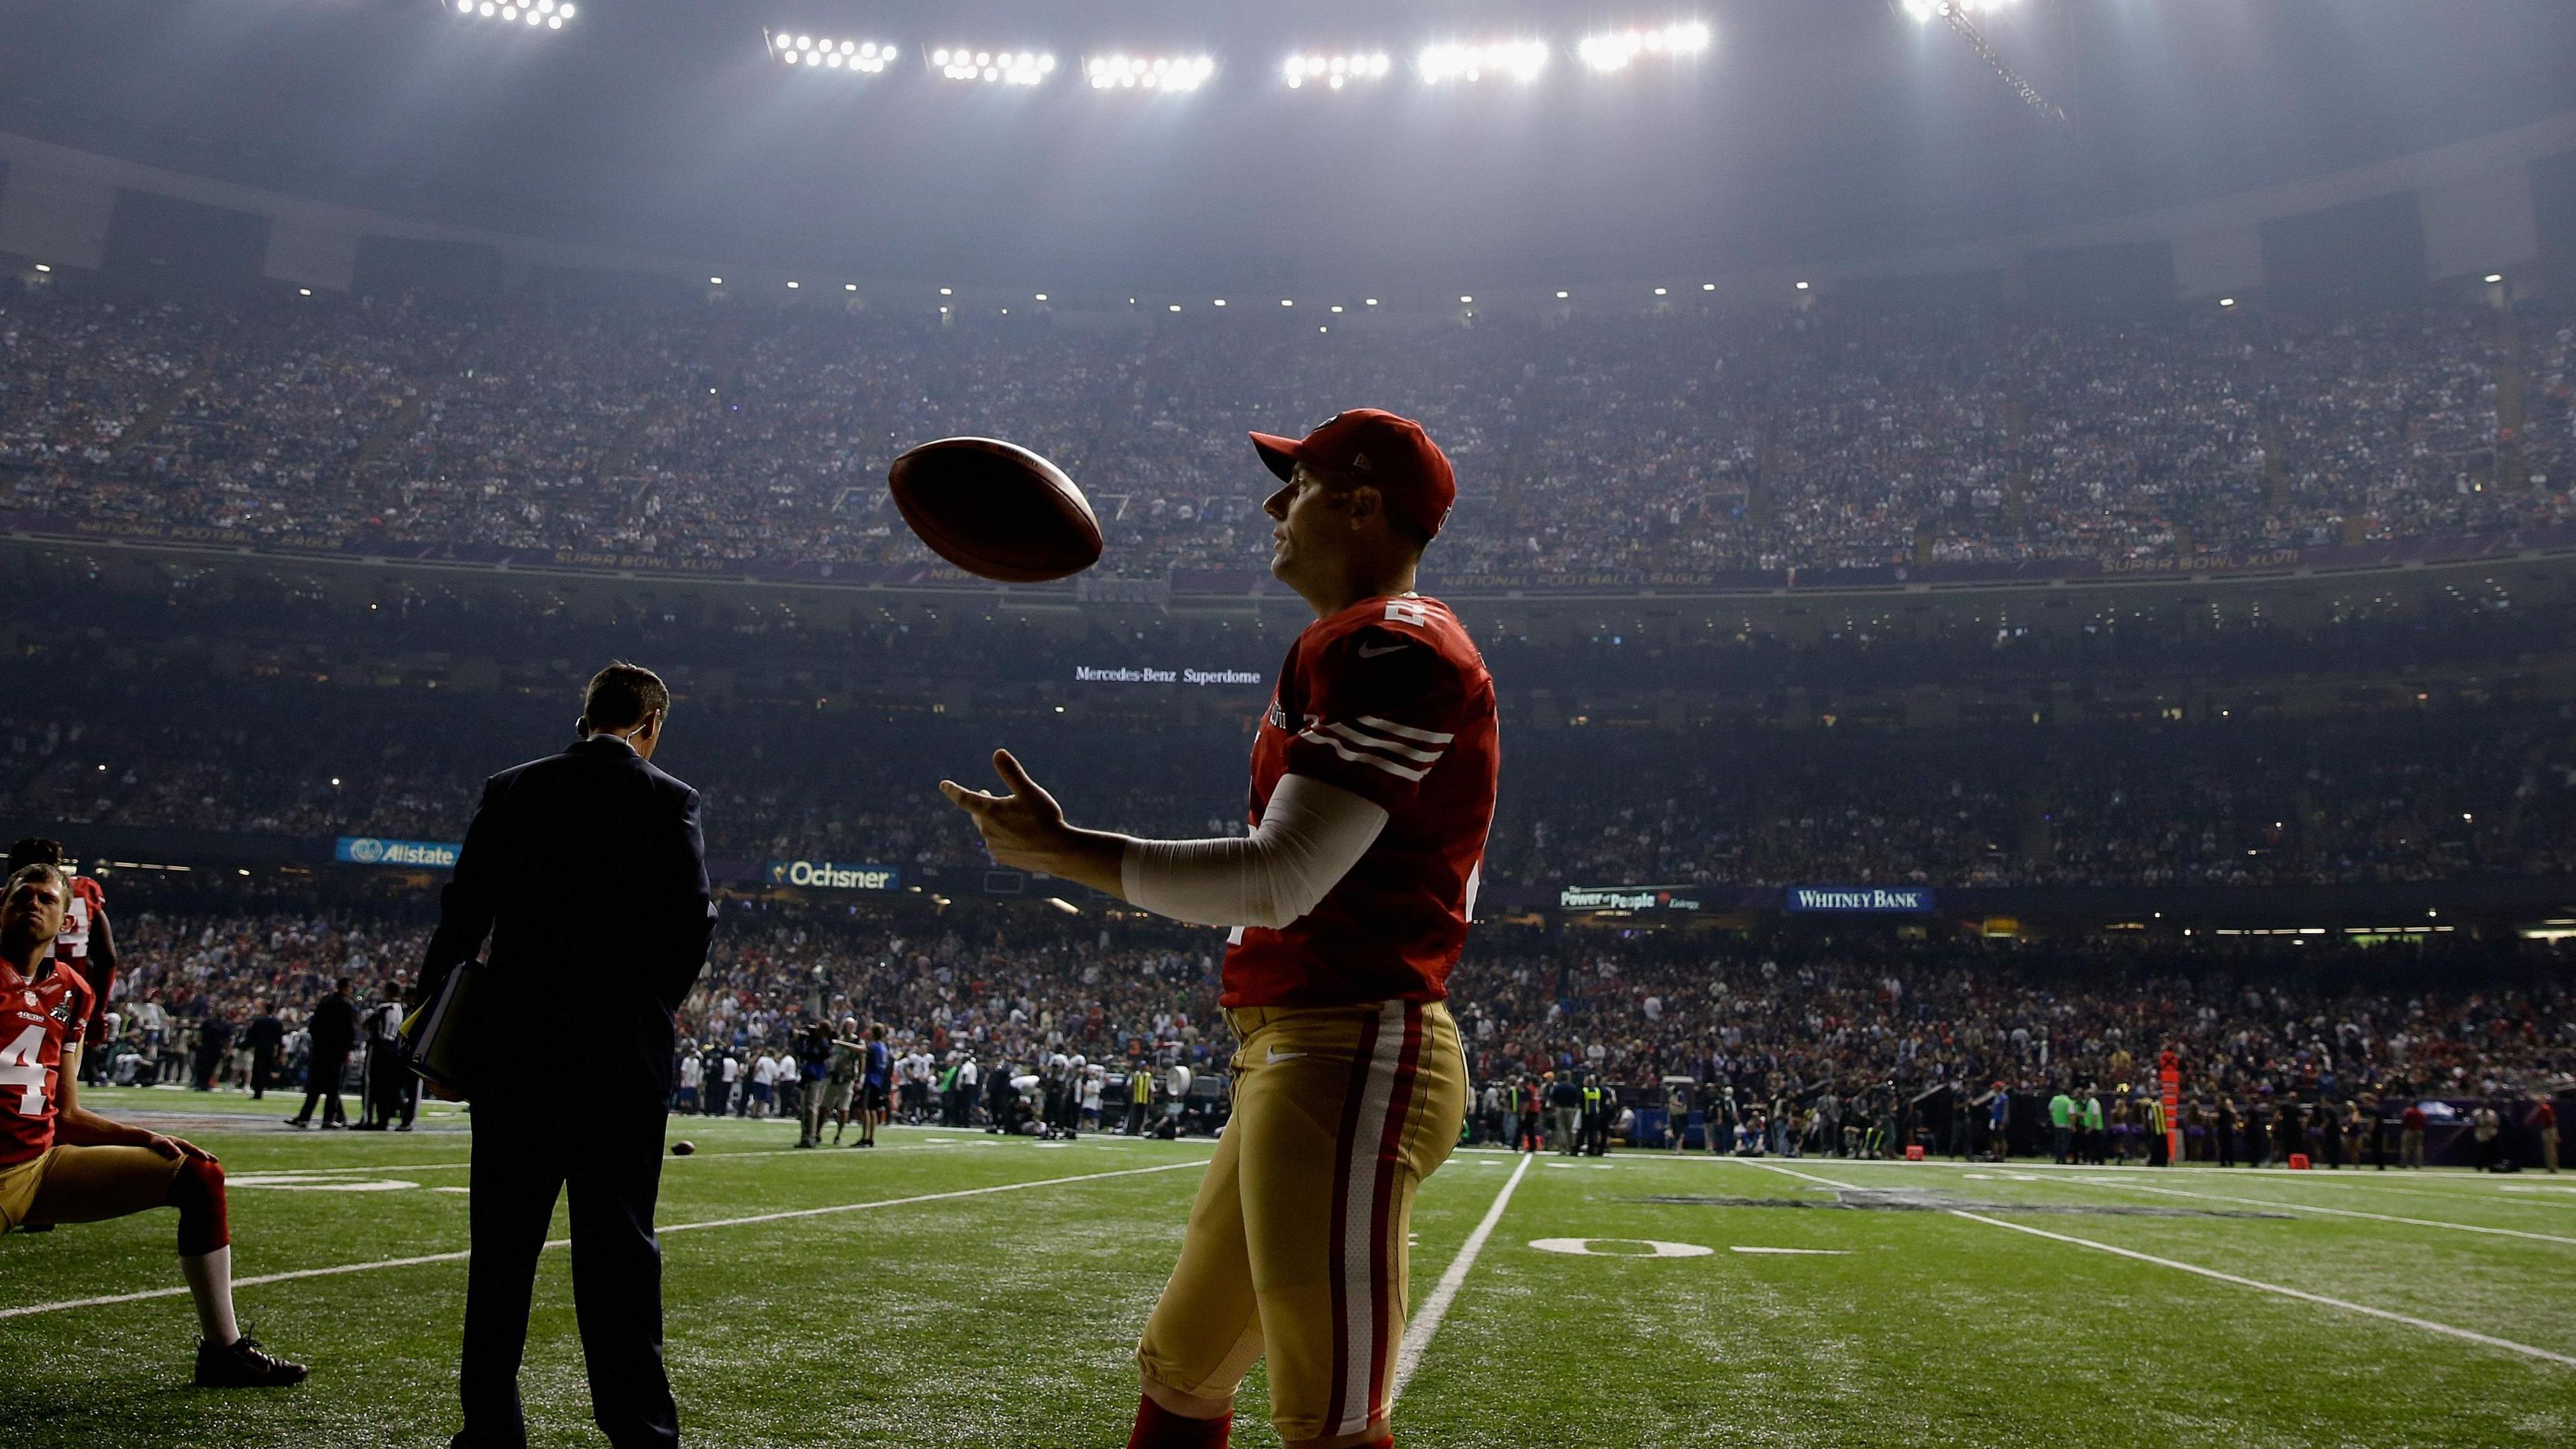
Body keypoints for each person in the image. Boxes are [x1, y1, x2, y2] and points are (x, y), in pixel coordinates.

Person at [942, 408, 1488, 1449]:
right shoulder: (1348, 642)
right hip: (1298, 1046)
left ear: (1364, 504)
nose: (1276, 506)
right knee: (1184, 1369)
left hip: (1351, 1047)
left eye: (1303, 484)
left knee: (1328, 1417)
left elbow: (1284, 878)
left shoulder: (1394, 644)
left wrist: (1071, 854)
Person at [419, 661, 714, 1449]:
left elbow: (460, 923)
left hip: (517, 1052)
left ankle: (490, 1428)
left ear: (585, 716)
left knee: (503, 1251)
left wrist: (439, 1041)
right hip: (621, 1059)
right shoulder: (669, 799)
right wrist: (647, 1012)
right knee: (619, 1253)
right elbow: (690, 928)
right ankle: (640, 1431)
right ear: (651, 723)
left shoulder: (512, 789)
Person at [0, 863, 305, 1385]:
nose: (33, 903)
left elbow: (67, 1113)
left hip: (39, 1165)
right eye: (21, 895)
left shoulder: (73, 988)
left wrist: (143, 1137)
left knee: (199, 1174)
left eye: (46, 898)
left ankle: (223, 1351)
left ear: (66, 918)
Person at [289, 978, 358, 1130]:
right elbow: (349, 1029)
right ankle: (329, 1119)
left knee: (315, 1085)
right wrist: (349, 1048)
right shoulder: (346, 1005)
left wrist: (318, 1042)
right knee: (333, 1087)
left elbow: (314, 1026)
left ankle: (304, 1117)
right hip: (337, 1051)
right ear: (346, 988)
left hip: (320, 1049)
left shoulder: (326, 1001)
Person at [243, 1000, 284, 1102]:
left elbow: (252, 1035)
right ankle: (264, 1087)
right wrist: (279, 1053)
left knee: (258, 1070)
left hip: (260, 1048)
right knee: (266, 1069)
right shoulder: (277, 1022)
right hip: (270, 1049)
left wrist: (247, 1045)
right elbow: (279, 1039)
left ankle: (258, 1091)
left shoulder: (259, 1021)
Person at [2047, 1087, 2074, 1165]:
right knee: (2064, 1143)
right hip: (2065, 1125)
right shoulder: (2069, 1102)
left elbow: (2050, 1109)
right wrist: (2072, 1125)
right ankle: (2063, 1159)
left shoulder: (2055, 1099)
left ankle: (2058, 1158)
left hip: (2057, 1124)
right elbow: (2071, 1114)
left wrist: (2054, 1117)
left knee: (2058, 1142)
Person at [2400, 1100, 2427, 1169]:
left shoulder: (2408, 1112)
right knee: (2418, 1147)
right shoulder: (2421, 1113)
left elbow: (2404, 1121)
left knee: (2406, 1147)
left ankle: (2404, 1163)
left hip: (2409, 1131)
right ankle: (2418, 1164)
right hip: (2419, 1131)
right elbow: (2424, 1123)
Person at [2536, 1098, 2561, 1174]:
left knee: (2550, 1150)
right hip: (2549, 1129)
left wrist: (2555, 1133)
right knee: (2551, 1150)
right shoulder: (2544, 1108)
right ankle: (2553, 1167)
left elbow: (2551, 1120)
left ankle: (2552, 1167)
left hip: (2548, 1130)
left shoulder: (2545, 1108)